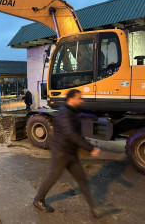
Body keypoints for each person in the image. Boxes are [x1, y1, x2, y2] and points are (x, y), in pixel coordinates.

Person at [33, 89, 103, 218]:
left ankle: (94, 208)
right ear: (71, 99)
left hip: (71, 153)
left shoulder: (72, 111)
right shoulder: (63, 114)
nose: (81, 100)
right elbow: (71, 133)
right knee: (52, 177)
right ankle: (38, 200)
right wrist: (90, 148)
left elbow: (82, 120)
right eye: (79, 98)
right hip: (61, 153)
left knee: (82, 179)